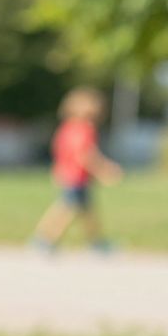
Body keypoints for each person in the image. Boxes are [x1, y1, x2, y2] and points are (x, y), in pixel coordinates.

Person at [32, 87, 124, 255]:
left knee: (87, 212)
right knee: (66, 210)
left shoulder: (66, 128)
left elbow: (60, 150)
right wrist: (104, 171)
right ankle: (44, 240)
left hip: (69, 176)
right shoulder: (85, 129)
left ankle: (96, 242)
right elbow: (86, 155)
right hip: (75, 178)